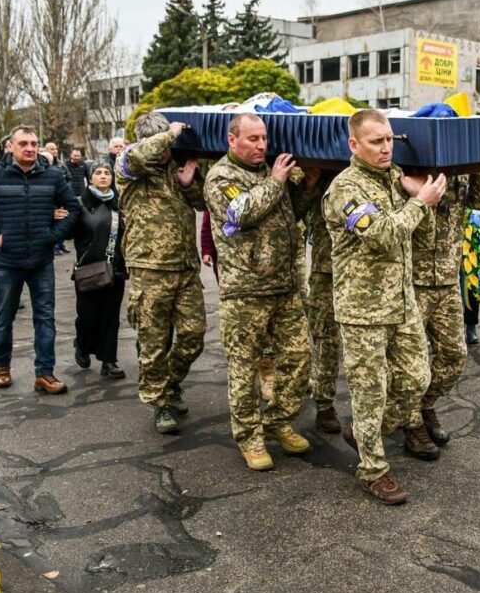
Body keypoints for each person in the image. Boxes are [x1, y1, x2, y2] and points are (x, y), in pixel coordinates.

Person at [323, 108, 446, 504]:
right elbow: (380, 235)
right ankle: (373, 469)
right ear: (354, 145)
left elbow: (420, 233)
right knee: (369, 391)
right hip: (362, 310)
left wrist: (418, 198)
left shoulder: (395, 179)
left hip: (401, 302)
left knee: (415, 380)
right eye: (376, 141)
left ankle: (363, 432)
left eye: (390, 139)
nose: (386, 147)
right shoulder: (345, 189)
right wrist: (420, 202)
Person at [204, 113, 320, 470]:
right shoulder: (220, 177)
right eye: (252, 139)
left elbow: (291, 214)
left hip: (284, 289)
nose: (260, 145)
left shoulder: (270, 171)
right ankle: (249, 437)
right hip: (245, 292)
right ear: (231, 139)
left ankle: (278, 422)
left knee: (300, 359)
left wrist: (309, 185)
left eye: (264, 139)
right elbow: (242, 213)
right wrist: (275, 181)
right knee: (244, 369)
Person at [0, 125, 80, 393]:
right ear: (11, 147)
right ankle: (2, 367)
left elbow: (73, 207)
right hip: (7, 262)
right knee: (4, 318)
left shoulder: (52, 176)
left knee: (45, 317)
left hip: (41, 260)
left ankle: (45, 373)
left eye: (34, 143)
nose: (29, 148)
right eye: (23, 143)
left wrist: (53, 235)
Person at [115, 112, 206, 435]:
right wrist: (171, 133)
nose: (168, 150)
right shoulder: (129, 166)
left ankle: (171, 382)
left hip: (184, 266)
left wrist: (188, 181)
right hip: (149, 268)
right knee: (152, 343)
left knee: (194, 334)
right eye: (164, 143)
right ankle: (161, 403)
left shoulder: (175, 167)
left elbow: (201, 202)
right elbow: (142, 154)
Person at [405, 165, 480, 458]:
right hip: (412, 282)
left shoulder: (461, 172)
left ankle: (423, 404)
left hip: (446, 281)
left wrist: (479, 162)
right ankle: (412, 423)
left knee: (454, 355)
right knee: (410, 364)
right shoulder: (406, 170)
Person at [71, 159, 127, 379]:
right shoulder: (79, 203)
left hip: (115, 269)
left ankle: (109, 360)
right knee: (88, 316)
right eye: (98, 173)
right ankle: (82, 344)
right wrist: (55, 216)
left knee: (111, 316)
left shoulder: (120, 204)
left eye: (107, 173)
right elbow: (67, 232)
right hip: (88, 270)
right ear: (90, 177)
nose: (103, 176)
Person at [305, 172, 343, 433]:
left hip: (368, 270)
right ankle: (323, 404)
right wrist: (310, 181)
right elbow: (297, 207)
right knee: (326, 339)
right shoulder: (322, 167)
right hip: (326, 267)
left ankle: (389, 409)